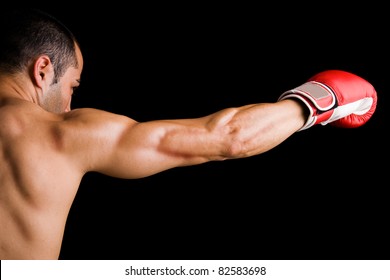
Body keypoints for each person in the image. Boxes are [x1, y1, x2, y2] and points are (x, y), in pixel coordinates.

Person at [0, 8, 377, 260]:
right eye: (73, 86)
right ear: (43, 69)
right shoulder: (63, 136)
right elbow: (230, 137)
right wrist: (316, 102)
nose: (68, 105)